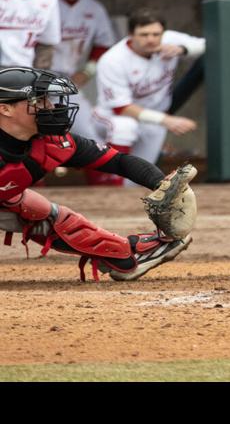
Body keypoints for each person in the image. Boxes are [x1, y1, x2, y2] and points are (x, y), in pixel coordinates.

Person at [0, 67, 192, 281]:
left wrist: (161, 184)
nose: (50, 107)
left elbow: (119, 162)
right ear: (5, 109)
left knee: (40, 211)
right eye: (37, 101)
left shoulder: (53, 143)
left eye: (47, 99)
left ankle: (123, 257)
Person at [90, 8, 202, 185]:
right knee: (125, 126)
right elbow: (122, 107)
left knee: (142, 173)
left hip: (153, 118)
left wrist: (182, 49)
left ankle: (126, 198)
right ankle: (110, 185)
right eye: (144, 34)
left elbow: (208, 44)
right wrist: (166, 120)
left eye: (156, 34)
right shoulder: (114, 59)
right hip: (110, 116)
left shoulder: (170, 41)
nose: (151, 39)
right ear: (130, 34)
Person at [50, 0, 115, 143]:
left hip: (68, 79)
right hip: (37, 76)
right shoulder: (46, 1)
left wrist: (86, 72)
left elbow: (104, 45)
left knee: (93, 134)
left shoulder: (94, 9)